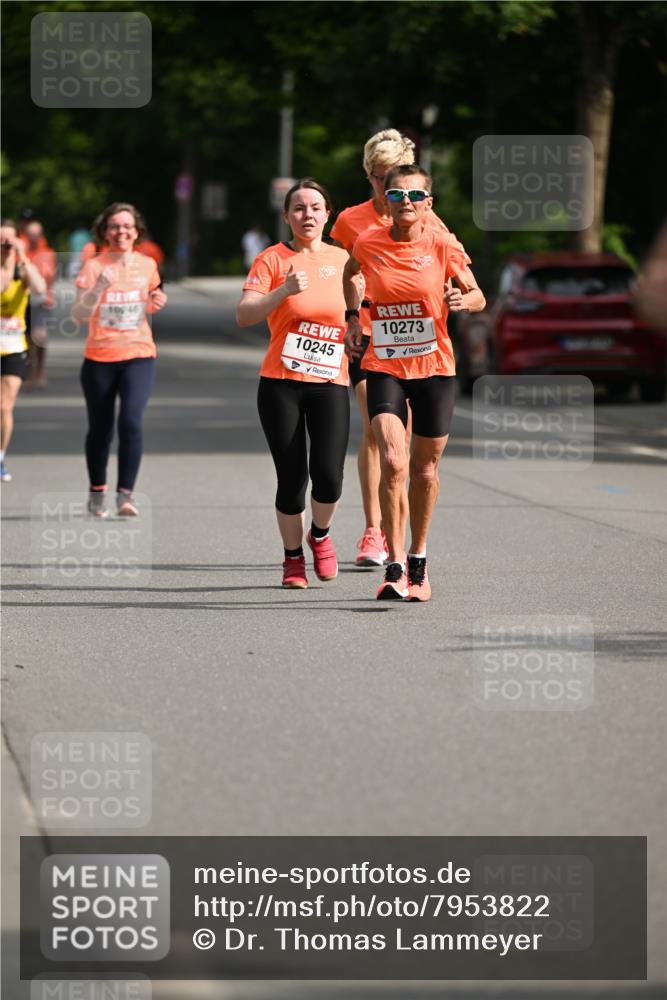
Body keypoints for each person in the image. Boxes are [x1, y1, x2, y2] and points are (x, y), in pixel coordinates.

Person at [343, 165, 485, 601]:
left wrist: (464, 299)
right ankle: (394, 563)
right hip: (384, 365)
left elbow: (478, 295)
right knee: (393, 460)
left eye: (415, 196)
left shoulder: (441, 244)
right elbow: (351, 273)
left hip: (436, 369)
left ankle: (419, 562)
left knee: (424, 470)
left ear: (429, 203)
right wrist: (353, 316)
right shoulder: (368, 242)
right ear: (385, 199)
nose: (406, 202)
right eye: (397, 195)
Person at [331, 128, 450, 568]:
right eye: (380, 177)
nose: (388, 187)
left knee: (409, 443)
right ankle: (373, 530)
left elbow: (447, 265)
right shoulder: (350, 221)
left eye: (395, 175)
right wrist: (344, 316)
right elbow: (337, 272)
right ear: (369, 175)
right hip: (369, 336)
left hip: (421, 348)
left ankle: (403, 535)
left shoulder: (425, 215)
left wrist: (458, 296)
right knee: (377, 430)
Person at [236, 179, 350, 589]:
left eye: (315, 207)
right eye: (298, 208)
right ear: (286, 216)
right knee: (291, 477)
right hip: (280, 383)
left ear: (328, 214)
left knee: (330, 476)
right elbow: (245, 314)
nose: (308, 215)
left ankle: (319, 534)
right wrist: (282, 290)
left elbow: (364, 311)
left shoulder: (343, 260)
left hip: (330, 381)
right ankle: (292, 559)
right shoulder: (271, 259)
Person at [71, 203, 167, 517]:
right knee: (100, 429)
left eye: (127, 226)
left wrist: (157, 301)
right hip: (99, 358)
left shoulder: (147, 264)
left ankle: (125, 495)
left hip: (139, 355)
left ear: (136, 231)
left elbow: (152, 299)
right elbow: (77, 315)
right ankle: (97, 491)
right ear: (104, 231)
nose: (121, 231)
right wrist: (99, 286)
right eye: (114, 226)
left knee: (130, 421)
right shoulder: (93, 266)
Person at [0, 219, 47, 481]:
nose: (5, 247)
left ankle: (1, 457)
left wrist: (23, 255)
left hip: (13, 347)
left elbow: (40, 288)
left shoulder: (23, 270)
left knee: (4, 407)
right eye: (1, 242)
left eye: (10, 241)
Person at [21, 219, 57, 389]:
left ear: (41, 235)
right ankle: (29, 372)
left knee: (40, 336)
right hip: (24, 300)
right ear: (26, 235)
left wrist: (48, 295)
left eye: (36, 234)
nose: (34, 237)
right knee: (26, 338)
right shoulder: (21, 253)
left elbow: (52, 277)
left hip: (43, 300)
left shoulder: (48, 253)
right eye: (31, 234)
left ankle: (40, 370)